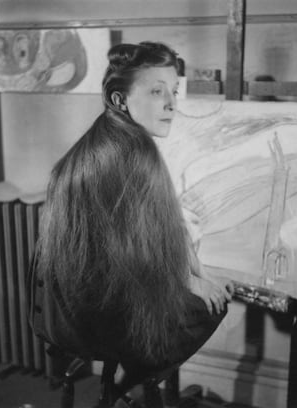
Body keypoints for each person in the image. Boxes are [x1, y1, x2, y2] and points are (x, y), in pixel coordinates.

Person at [30, 41, 234, 407]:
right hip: (100, 315)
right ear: (121, 100)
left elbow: (159, 225)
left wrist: (194, 267)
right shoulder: (135, 152)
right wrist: (194, 279)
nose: (172, 103)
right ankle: (127, 385)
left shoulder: (103, 138)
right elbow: (136, 251)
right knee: (216, 303)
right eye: (157, 91)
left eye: (173, 91)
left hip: (61, 310)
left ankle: (123, 383)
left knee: (196, 284)